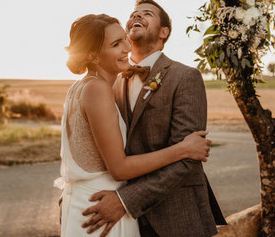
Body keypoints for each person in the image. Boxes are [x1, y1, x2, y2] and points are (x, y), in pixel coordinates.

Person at [56, 13, 212, 236]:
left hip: (87, 203)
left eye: (124, 41)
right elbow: (118, 167)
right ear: (93, 54)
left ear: (164, 31)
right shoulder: (99, 89)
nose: (126, 48)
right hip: (102, 209)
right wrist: (183, 149)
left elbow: (82, 153)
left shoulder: (83, 87)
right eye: (116, 44)